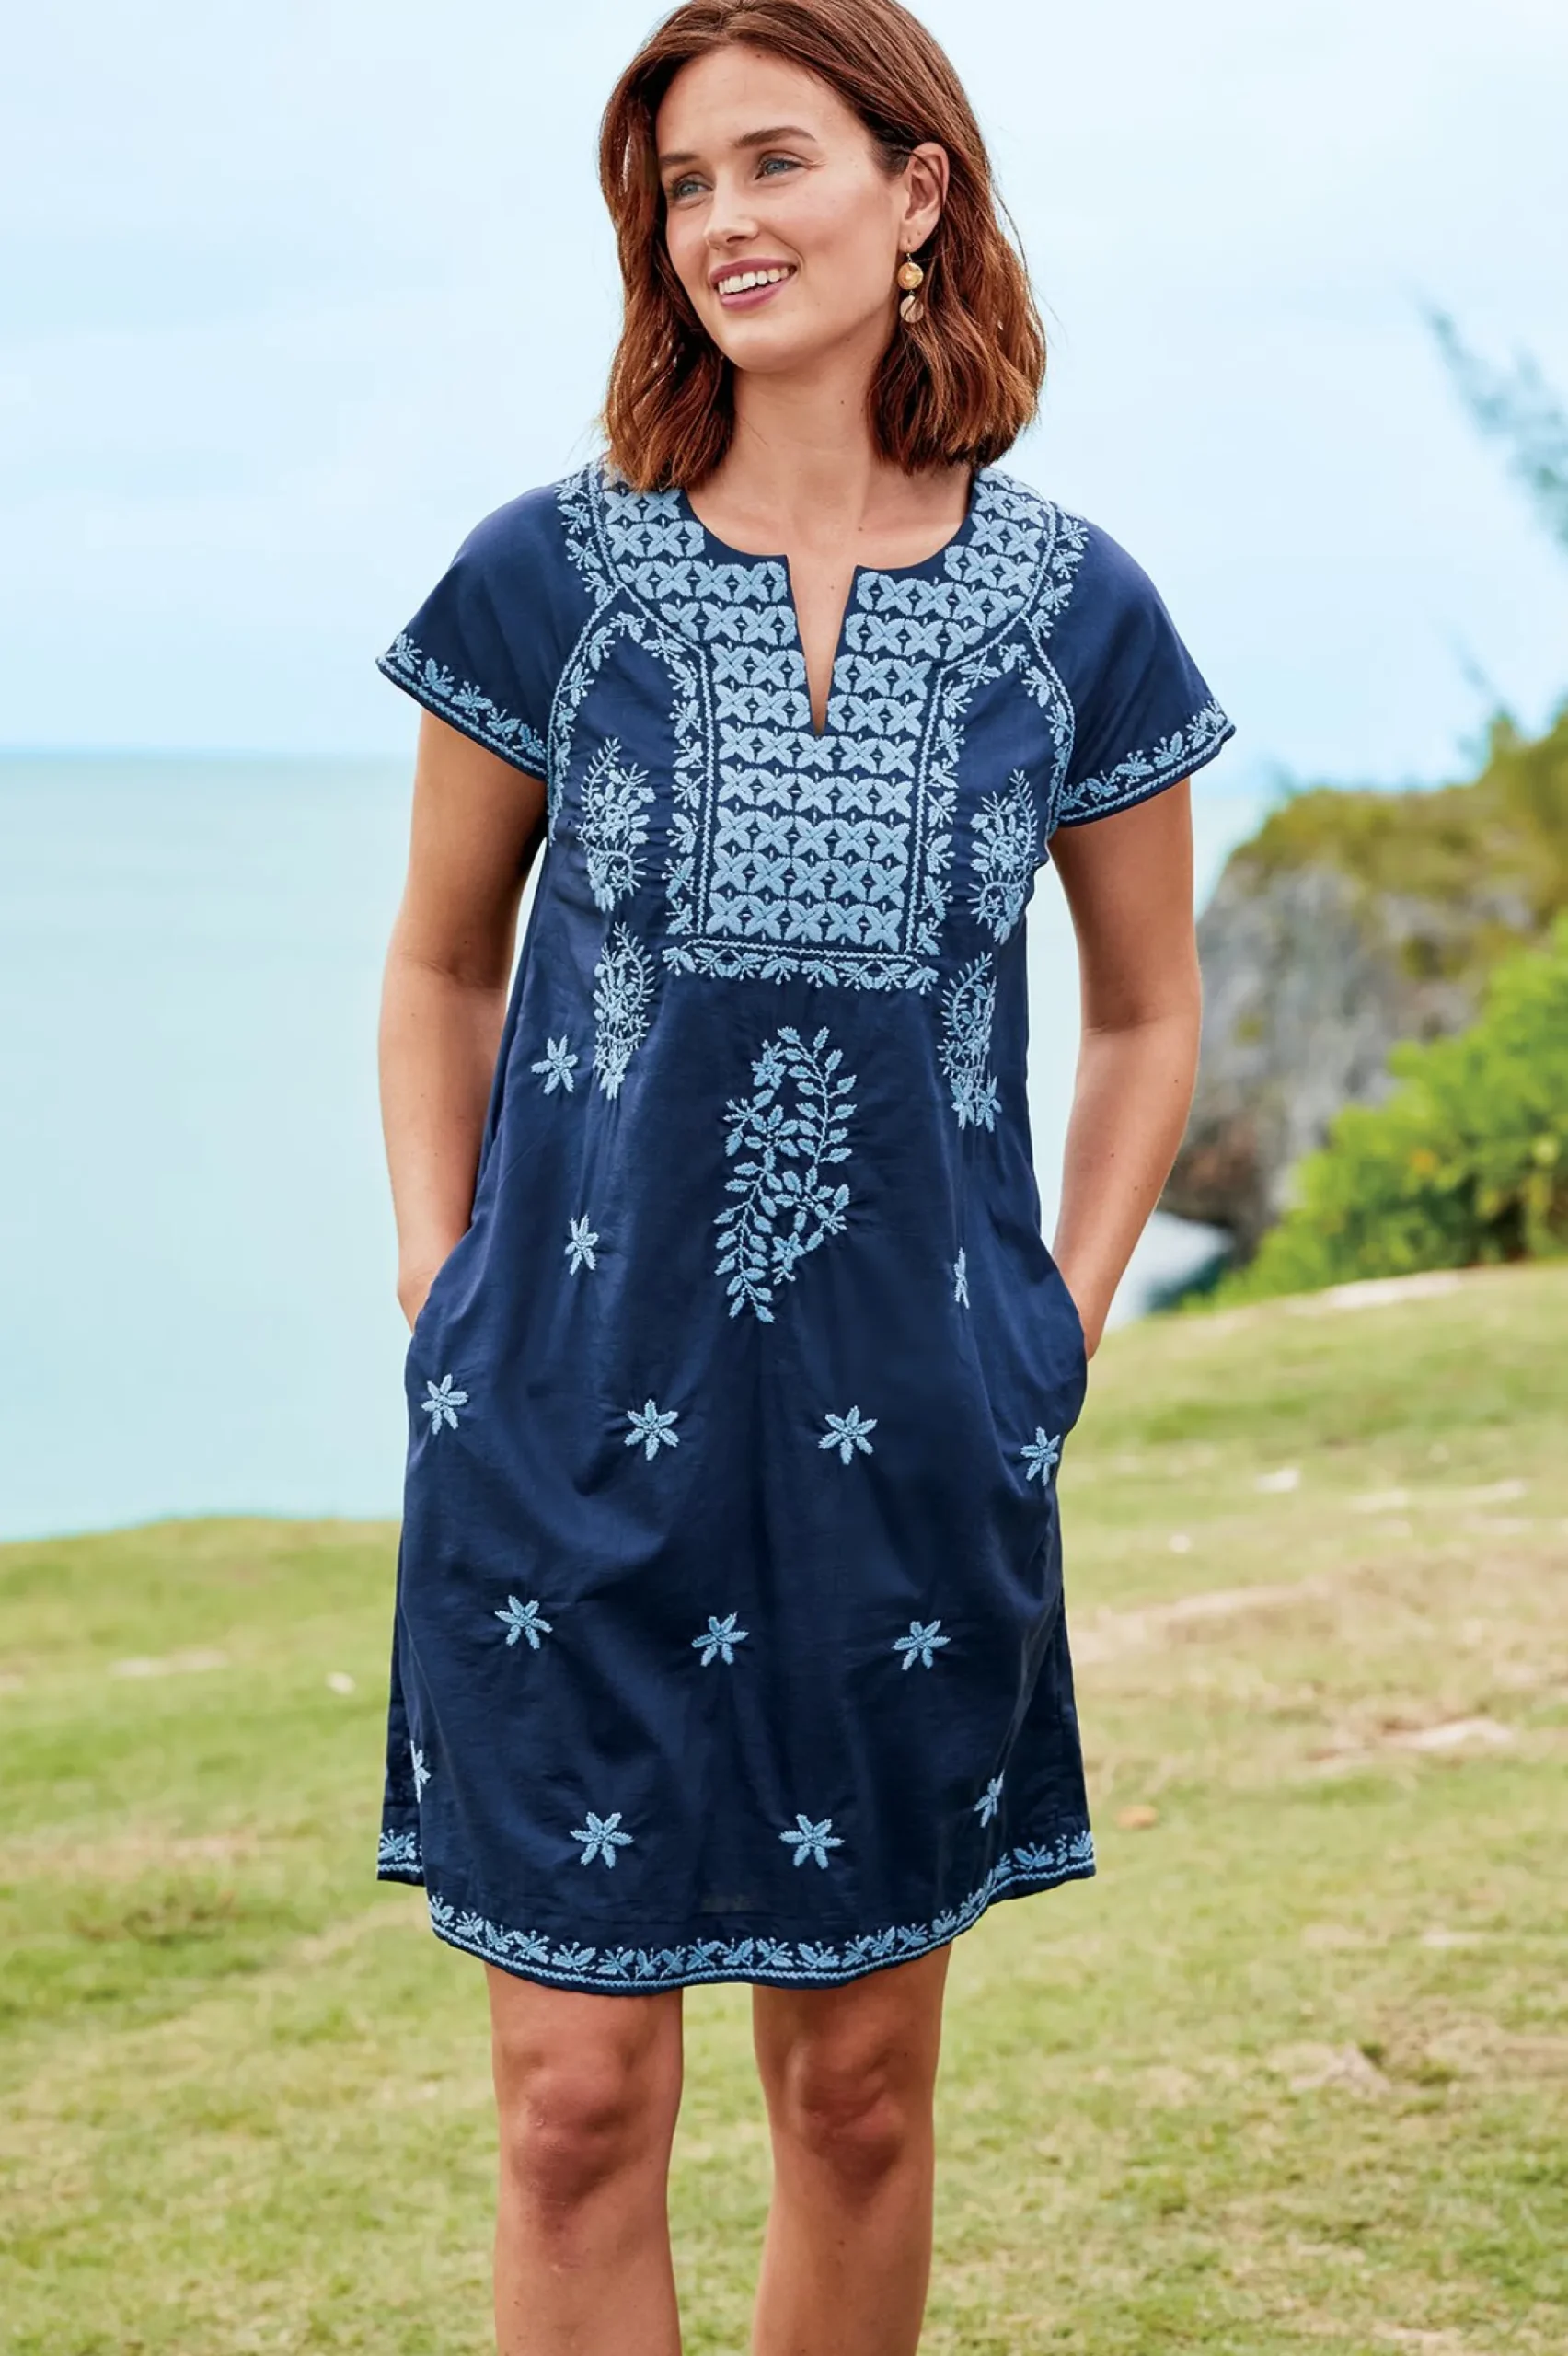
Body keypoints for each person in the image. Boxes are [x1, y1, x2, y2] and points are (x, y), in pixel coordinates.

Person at [373, 2, 1232, 2348]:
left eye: (774, 162)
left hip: (909, 1451)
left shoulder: (1077, 610)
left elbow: (1148, 1010)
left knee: (855, 2095)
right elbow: (440, 965)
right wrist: (449, 1295)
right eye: (681, 186)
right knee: (572, 2104)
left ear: (916, 190)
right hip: (563, 1431)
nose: (722, 222)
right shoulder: (546, 576)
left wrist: (1052, 1323)